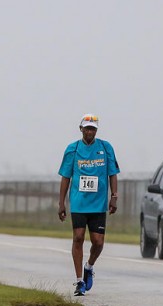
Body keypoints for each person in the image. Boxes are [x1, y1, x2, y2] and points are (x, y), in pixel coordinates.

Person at [58, 114, 120, 296]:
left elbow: (113, 173)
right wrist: (61, 203)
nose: (89, 132)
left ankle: (89, 266)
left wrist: (114, 196)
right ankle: (79, 282)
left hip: (98, 203)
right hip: (79, 202)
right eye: (87, 128)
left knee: (98, 242)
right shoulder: (73, 149)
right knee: (78, 238)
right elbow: (65, 177)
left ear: (96, 130)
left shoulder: (106, 148)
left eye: (92, 128)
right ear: (81, 129)